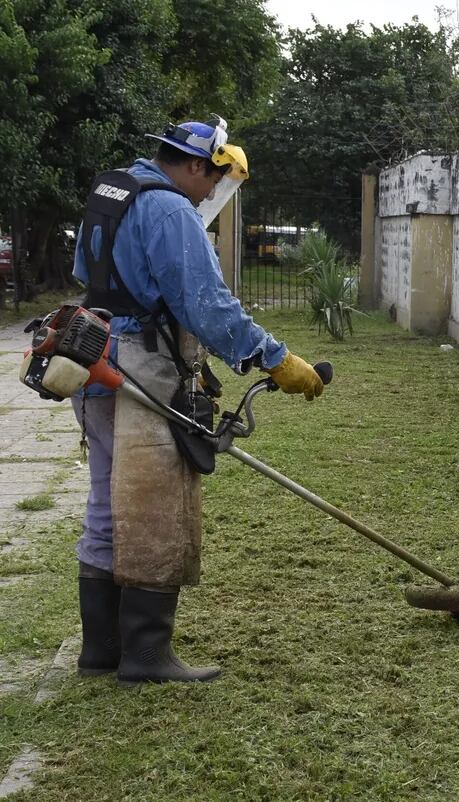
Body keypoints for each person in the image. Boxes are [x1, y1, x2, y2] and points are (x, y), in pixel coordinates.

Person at [71, 117, 325, 684]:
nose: (213, 190)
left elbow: (85, 271)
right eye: (212, 177)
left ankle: (101, 651)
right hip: (140, 370)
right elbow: (206, 306)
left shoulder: (111, 189)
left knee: (107, 504)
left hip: (90, 356)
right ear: (192, 164)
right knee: (155, 505)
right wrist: (276, 359)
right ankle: (145, 656)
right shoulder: (169, 210)